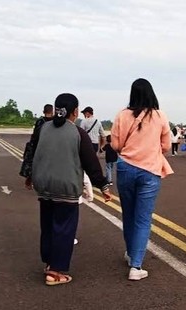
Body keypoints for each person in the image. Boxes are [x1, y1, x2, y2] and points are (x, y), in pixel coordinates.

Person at [27, 93, 111, 286]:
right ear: (74, 112)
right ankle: (55, 272)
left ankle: (49, 263)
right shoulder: (77, 133)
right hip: (66, 188)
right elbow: (91, 164)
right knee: (64, 229)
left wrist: (30, 177)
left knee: (47, 226)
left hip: (44, 187)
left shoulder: (42, 128)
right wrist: (103, 186)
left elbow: (32, 153)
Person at [110, 78, 173, 281]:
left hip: (126, 167)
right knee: (143, 218)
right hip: (150, 170)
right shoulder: (160, 116)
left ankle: (131, 253)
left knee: (128, 214)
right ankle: (136, 266)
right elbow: (166, 146)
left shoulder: (122, 115)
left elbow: (116, 144)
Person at [20, 104, 54, 179]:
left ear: (43, 111)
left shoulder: (40, 122)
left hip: (40, 148)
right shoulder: (55, 122)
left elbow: (34, 137)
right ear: (52, 111)